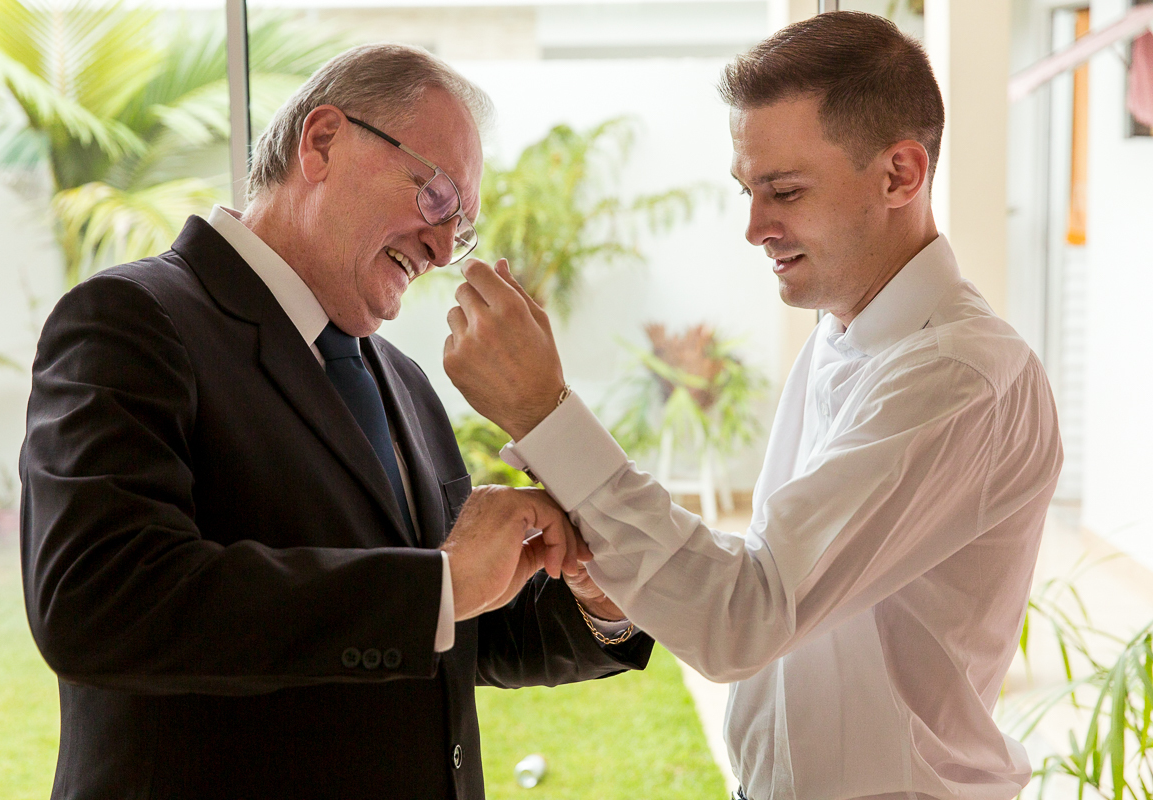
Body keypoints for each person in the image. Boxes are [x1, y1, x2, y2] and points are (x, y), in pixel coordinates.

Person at [443, 11, 1063, 800]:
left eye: (785, 191)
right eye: (748, 190)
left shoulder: (957, 377)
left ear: (900, 175)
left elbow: (746, 616)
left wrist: (545, 413)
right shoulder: (844, 333)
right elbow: (781, 572)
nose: (753, 227)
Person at [19, 43, 651, 800]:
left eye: (461, 228)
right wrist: (441, 583)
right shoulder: (129, 319)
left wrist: (597, 601)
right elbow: (99, 602)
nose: (443, 248)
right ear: (321, 142)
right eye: (438, 197)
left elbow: (443, 630)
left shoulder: (403, 381)